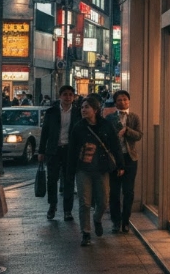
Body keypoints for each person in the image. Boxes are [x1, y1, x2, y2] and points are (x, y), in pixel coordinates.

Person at [69, 95, 124, 247]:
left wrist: (120, 165)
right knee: (84, 202)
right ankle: (86, 233)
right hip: (83, 169)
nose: (83, 110)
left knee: (103, 201)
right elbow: (72, 150)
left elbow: (115, 146)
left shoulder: (106, 126)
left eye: (87, 107)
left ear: (96, 109)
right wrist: (69, 171)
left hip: (102, 169)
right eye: (82, 107)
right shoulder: (78, 127)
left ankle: (97, 219)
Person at [38, 85, 81, 221]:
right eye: (65, 94)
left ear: (73, 97)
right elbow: (45, 132)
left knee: (69, 180)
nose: (68, 97)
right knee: (52, 179)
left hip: (70, 151)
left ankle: (67, 210)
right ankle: (52, 205)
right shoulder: (51, 112)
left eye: (70, 95)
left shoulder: (78, 112)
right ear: (60, 96)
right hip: (53, 150)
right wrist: (41, 151)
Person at [106, 90, 142, 234]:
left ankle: (126, 221)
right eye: (119, 100)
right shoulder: (109, 118)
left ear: (129, 101)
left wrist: (127, 131)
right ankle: (116, 221)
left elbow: (139, 135)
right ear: (115, 102)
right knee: (114, 191)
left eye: (125, 99)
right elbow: (106, 136)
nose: (122, 102)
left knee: (128, 191)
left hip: (130, 157)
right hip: (114, 158)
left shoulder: (134, 117)